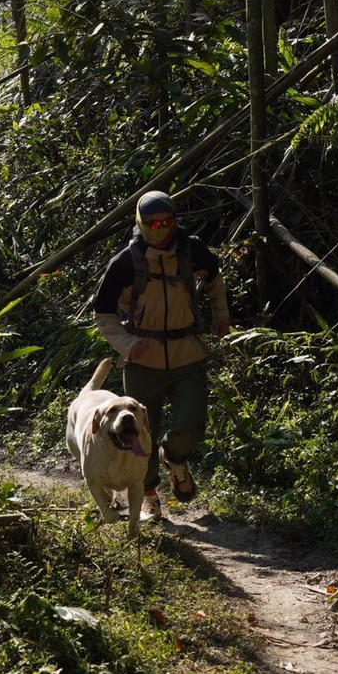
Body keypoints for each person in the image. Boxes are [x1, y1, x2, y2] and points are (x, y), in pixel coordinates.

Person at [92, 190, 229, 519]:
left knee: (191, 424)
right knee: (141, 434)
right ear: (141, 223)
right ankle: (150, 495)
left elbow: (214, 280)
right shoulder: (125, 262)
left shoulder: (192, 249)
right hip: (143, 360)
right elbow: (103, 313)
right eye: (154, 224)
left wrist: (221, 318)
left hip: (188, 353)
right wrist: (126, 344)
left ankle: (175, 458)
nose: (162, 229)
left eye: (168, 222)